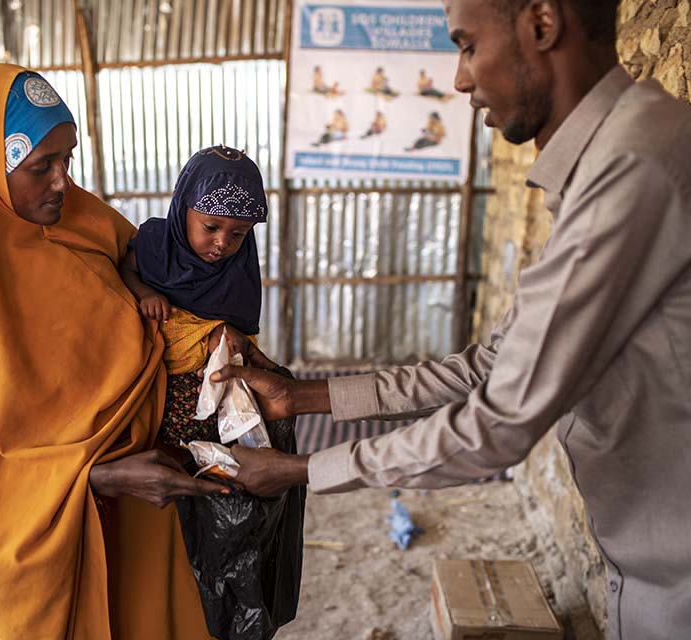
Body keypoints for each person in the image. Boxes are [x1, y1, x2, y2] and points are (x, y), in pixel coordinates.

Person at [214, 1, 691, 638]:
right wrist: (303, 397)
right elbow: (492, 361)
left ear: (542, 26)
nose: (461, 79)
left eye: (467, 46)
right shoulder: (609, 163)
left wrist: (301, 471)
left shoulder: (631, 168)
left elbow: (499, 422)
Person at [0, 64, 224, 639]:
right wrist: (100, 477)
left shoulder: (90, 223)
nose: (62, 182)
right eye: (40, 167)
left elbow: (183, 303)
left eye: (67, 160)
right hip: (72, 518)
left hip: (143, 514)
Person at [119, 145, 281, 444]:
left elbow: (238, 336)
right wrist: (145, 294)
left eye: (238, 234)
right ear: (183, 209)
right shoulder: (154, 243)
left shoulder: (238, 269)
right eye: (211, 227)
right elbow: (127, 272)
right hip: (150, 377)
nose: (222, 243)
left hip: (207, 384)